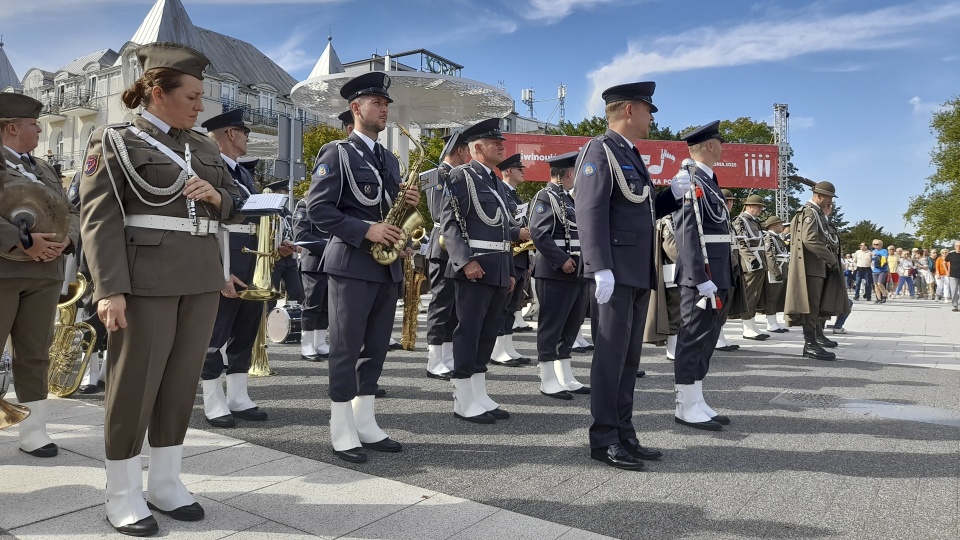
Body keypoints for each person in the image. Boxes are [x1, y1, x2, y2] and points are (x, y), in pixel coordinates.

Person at [80, 42, 244, 536]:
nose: (200, 106)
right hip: (145, 279)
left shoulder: (205, 148)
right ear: (157, 91)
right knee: (135, 385)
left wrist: (218, 197)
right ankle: (122, 492)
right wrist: (109, 289)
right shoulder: (116, 140)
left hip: (200, 277)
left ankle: (166, 481)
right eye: (192, 96)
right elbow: (99, 220)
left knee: (179, 383)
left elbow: (236, 202)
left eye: (201, 97)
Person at [306, 72, 415, 463]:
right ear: (356, 108)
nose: (384, 109)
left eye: (386, 104)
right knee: (346, 347)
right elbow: (318, 210)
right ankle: (340, 427)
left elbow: (389, 211)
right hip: (351, 263)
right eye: (377, 103)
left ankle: (364, 421)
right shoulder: (337, 152)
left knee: (375, 349)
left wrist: (406, 213)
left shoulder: (389, 159)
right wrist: (367, 229)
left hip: (385, 266)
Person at [576, 81, 683, 470]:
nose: (652, 117)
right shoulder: (599, 150)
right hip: (615, 273)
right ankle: (604, 437)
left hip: (636, 271)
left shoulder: (630, 154)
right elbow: (589, 210)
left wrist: (673, 195)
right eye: (648, 110)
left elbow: (642, 208)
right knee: (610, 358)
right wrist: (599, 266)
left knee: (627, 359)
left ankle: (624, 431)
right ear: (629, 110)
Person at [1, 93, 81, 457]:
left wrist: (67, 240)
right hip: (4, 271)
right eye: (34, 124)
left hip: (45, 272)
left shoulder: (44, 169)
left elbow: (71, 210)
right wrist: (24, 242)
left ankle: (33, 431)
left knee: (35, 353)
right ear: (12, 128)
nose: (39, 130)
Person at [197, 109, 271, 429]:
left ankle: (238, 396)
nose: (247, 139)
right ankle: (213, 400)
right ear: (230, 134)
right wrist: (220, 271)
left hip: (251, 262)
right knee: (215, 335)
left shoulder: (243, 174)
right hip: (227, 261)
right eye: (244, 133)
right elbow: (205, 224)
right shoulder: (210, 169)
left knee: (244, 333)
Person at [439, 118, 515, 424]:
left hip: (497, 267)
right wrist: (465, 261)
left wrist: (509, 270)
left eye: (501, 142)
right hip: (476, 267)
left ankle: (478, 393)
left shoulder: (494, 181)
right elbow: (449, 223)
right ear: (477, 147)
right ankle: (462, 397)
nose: (501, 146)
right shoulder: (461, 176)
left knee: (488, 332)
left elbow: (504, 230)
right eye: (495, 142)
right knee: (469, 331)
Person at [670, 121, 733, 431]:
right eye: (719, 142)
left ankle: (697, 398)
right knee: (693, 338)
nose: (722, 147)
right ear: (709, 145)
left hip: (718, 271)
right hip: (703, 275)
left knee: (707, 340)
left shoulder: (708, 180)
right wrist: (699, 277)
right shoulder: (689, 179)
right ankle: (684, 404)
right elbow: (686, 233)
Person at [529, 151, 589, 399]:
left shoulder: (569, 199)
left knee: (571, 325)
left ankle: (565, 376)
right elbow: (539, 233)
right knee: (551, 326)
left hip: (577, 270)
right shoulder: (545, 197)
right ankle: (547, 378)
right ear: (569, 173)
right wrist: (561, 259)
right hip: (555, 272)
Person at [422, 132, 470, 380]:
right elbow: (438, 211)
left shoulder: (458, 175)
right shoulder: (436, 174)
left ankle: (448, 357)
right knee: (440, 304)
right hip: (442, 247)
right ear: (460, 150)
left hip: (456, 246)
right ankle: (434, 360)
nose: (470, 156)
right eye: (468, 150)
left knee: (453, 308)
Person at [783, 182, 849, 361]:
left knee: (817, 306)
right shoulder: (810, 213)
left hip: (818, 266)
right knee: (811, 308)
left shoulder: (817, 213)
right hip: (812, 267)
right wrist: (831, 259)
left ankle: (815, 340)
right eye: (828, 198)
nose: (830, 202)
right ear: (819, 196)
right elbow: (810, 240)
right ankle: (810, 345)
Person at [490, 153, 532, 367]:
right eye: (519, 169)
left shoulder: (515, 195)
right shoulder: (501, 192)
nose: (523, 172)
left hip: (519, 255)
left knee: (513, 304)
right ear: (508, 171)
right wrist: (518, 232)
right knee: (502, 305)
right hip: (508, 254)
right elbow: (498, 222)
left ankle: (506, 346)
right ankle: (497, 350)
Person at [293, 192, 331, 361]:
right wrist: (330, 247)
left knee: (327, 305)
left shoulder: (333, 206)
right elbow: (300, 235)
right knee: (312, 304)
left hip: (331, 262)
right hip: (313, 262)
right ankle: (306, 343)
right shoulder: (305, 205)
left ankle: (320, 342)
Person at [732, 195, 769, 340]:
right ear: (749, 206)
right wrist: (751, 259)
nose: (760, 209)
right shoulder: (740, 221)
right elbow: (741, 243)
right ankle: (747, 328)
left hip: (760, 260)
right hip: (750, 263)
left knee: (755, 296)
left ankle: (752, 325)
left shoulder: (754, 221)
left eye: (761, 207)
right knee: (749, 296)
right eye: (758, 206)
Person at [760, 215, 789, 333]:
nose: (782, 226)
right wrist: (775, 272)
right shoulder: (769, 237)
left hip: (781, 268)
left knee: (776, 298)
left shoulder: (776, 238)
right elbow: (769, 256)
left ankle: (774, 322)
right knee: (771, 298)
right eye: (780, 224)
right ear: (772, 225)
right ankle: (771, 323)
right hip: (775, 270)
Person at [871, 239, 889, 304]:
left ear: (881, 245)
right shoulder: (873, 251)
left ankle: (884, 295)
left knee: (880, 283)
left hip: (883, 270)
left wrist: (876, 254)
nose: (875, 246)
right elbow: (871, 260)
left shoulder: (884, 251)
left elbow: (885, 258)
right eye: (874, 244)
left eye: (877, 244)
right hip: (875, 270)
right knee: (876, 285)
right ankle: (878, 298)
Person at [946, 242, 960, 312]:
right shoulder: (951, 254)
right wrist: (946, 271)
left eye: (959, 246)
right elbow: (944, 261)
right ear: (955, 247)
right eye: (957, 246)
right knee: (954, 290)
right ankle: (955, 305)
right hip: (953, 275)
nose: (958, 247)